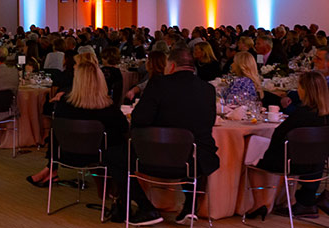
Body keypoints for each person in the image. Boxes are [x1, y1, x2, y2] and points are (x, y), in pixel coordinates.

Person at [26, 60, 163, 225]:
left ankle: (129, 203)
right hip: (98, 157)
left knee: (118, 154)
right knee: (122, 153)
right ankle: (132, 202)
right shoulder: (106, 108)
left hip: (67, 155)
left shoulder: (64, 105)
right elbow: (123, 128)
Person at [131, 47, 219, 224]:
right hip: (196, 160)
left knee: (114, 156)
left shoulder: (158, 84)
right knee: (192, 148)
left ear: (171, 66)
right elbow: (209, 122)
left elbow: (139, 119)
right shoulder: (208, 89)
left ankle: (146, 207)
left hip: (155, 158)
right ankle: (190, 206)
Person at [255, 71, 329, 218]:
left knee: (253, 150)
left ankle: (256, 203)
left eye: (299, 87)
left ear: (305, 90)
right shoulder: (325, 116)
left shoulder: (300, 114)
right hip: (317, 165)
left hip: (291, 164)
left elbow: (277, 136)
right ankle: (302, 201)